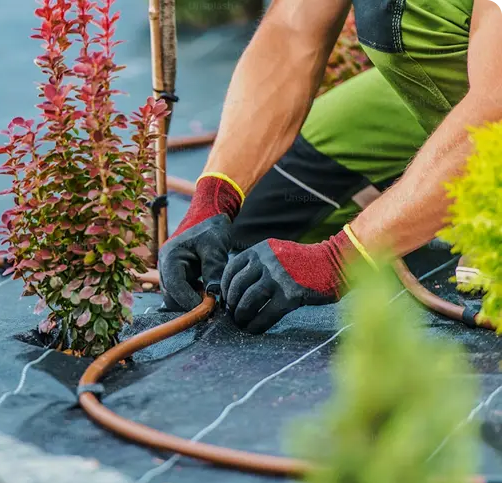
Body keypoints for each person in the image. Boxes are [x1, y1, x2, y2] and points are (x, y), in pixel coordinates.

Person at [159, 0, 502, 334]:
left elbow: (495, 109)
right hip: (449, 84)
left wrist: (340, 257)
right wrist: (215, 195)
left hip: (492, 101)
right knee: (257, 218)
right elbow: (292, 31)